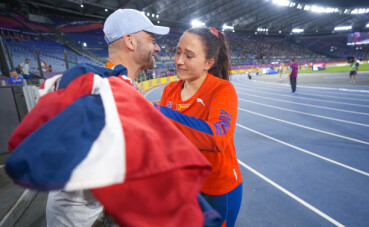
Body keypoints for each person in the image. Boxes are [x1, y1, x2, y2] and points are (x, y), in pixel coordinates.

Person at [6, 9, 214, 227]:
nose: (158, 47)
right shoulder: (100, 87)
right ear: (130, 41)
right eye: (152, 40)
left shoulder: (114, 85)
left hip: (93, 210)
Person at [155, 27, 243, 227]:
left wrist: (158, 113)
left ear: (208, 63)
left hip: (218, 188)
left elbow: (218, 136)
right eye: (178, 52)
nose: (178, 60)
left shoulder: (222, 89)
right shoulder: (170, 90)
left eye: (189, 55)